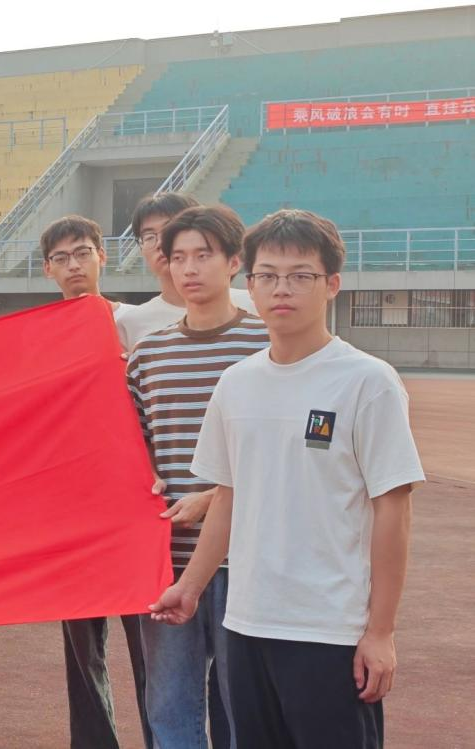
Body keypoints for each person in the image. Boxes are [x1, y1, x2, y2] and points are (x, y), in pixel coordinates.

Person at [150, 209, 424, 748]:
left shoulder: (367, 382)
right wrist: (191, 586)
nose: (282, 289)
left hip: (329, 630)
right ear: (249, 282)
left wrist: (381, 631)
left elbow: (393, 509)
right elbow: (228, 497)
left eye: (301, 275)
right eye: (268, 275)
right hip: (246, 624)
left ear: (332, 285)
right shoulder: (236, 384)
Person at [126, 205, 269, 748]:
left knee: (244, 706)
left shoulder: (267, 346)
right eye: (178, 256)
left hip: (247, 561)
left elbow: (279, 456)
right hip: (167, 561)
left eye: (203, 255)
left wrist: (211, 498)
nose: (188, 268)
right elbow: (131, 449)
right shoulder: (147, 356)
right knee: (169, 706)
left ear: (234, 262)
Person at [38, 215, 151, 749]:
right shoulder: (37, 336)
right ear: (47, 269)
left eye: (82, 253)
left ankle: (164, 737)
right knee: (82, 647)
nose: (74, 265)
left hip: (134, 504)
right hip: (70, 507)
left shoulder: (133, 324)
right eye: (61, 258)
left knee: (151, 643)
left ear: (102, 257)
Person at [116, 193, 255, 351]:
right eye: (149, 237)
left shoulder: (255, 304)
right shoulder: (130, 324)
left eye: (168, 230)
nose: (160, 243)